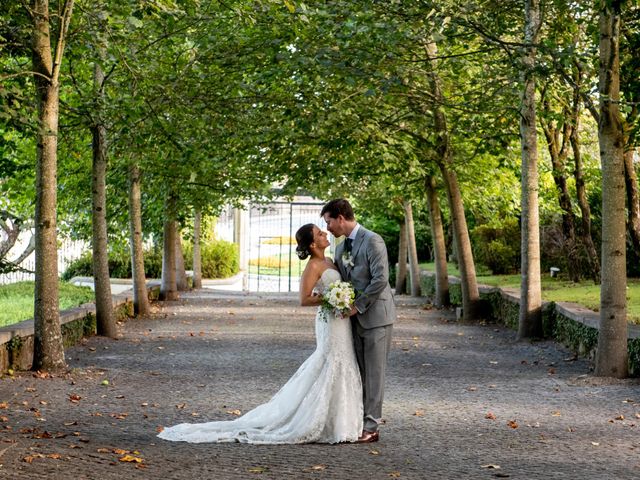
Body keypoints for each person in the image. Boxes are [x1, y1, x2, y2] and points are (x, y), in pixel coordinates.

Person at [157, 224, 363, 444]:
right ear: (313, 244)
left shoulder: (330, 261)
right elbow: (304, 299)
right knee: (330, 361)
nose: (324, 234)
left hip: (341, 320)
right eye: (320, 234)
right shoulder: (313, 266)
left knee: (344, 361)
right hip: (329, 321)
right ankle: (318, 421)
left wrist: (340, 297)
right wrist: (331, 298)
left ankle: (340, 421)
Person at [321, 198, 396, 444]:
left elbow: (380, 278)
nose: (328, 227)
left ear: (341, 218)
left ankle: (372, 427)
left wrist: (357, 306)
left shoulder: (373, 240)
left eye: (329, 221)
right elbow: (341, 282)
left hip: (375, 318)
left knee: (374, 374)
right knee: (359, 373)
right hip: (352, 322)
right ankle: (357, 421)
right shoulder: (341, 249)